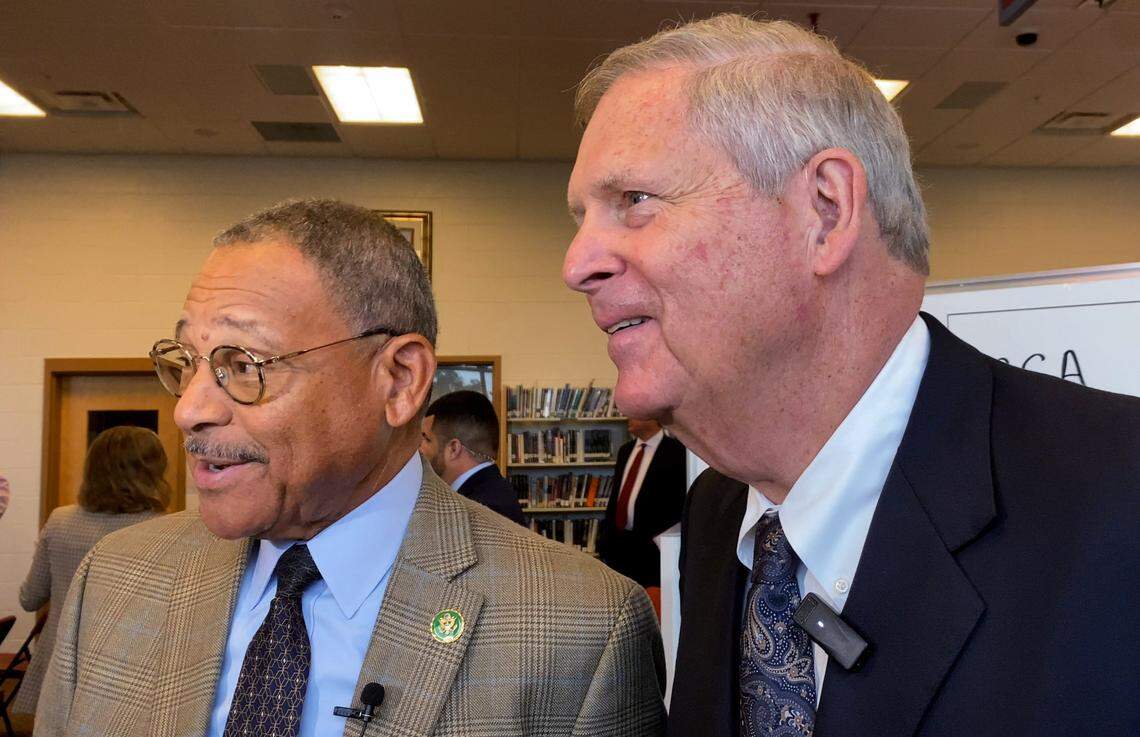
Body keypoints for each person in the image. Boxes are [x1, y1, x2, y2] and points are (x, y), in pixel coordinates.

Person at [563, 14, 1140, 737]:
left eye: (635, 202)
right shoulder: (717, 516)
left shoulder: (1118, 496)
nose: (577, 263)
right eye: (582, 218)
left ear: (826, 210)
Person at [36, 199, 665, 737]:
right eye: (189, 362)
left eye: (246, 363)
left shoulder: (582, 630)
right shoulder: (115, 582)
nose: (190, 410)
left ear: (398, 380)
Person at [14, 426, 168, 716]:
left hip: (60, 667)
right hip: (126, 673)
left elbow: (29, 599)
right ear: (152, 473)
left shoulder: (60, 522)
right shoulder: (163, 530)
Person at [598, 418, 685, 612]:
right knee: (620, 607)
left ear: (653, 417)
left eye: (635, 413)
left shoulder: (675, 452)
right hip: (619, 546)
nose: (628, 417)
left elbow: (678, 501)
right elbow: (616, 496)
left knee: (649, 610)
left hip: (651, 551)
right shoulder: (626, 451)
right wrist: (605, 538)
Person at [419, 390, 525, 525]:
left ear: (453, 449)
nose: (419, 447)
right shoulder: (489, 491)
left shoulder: (484, 510)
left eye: (426, 439)